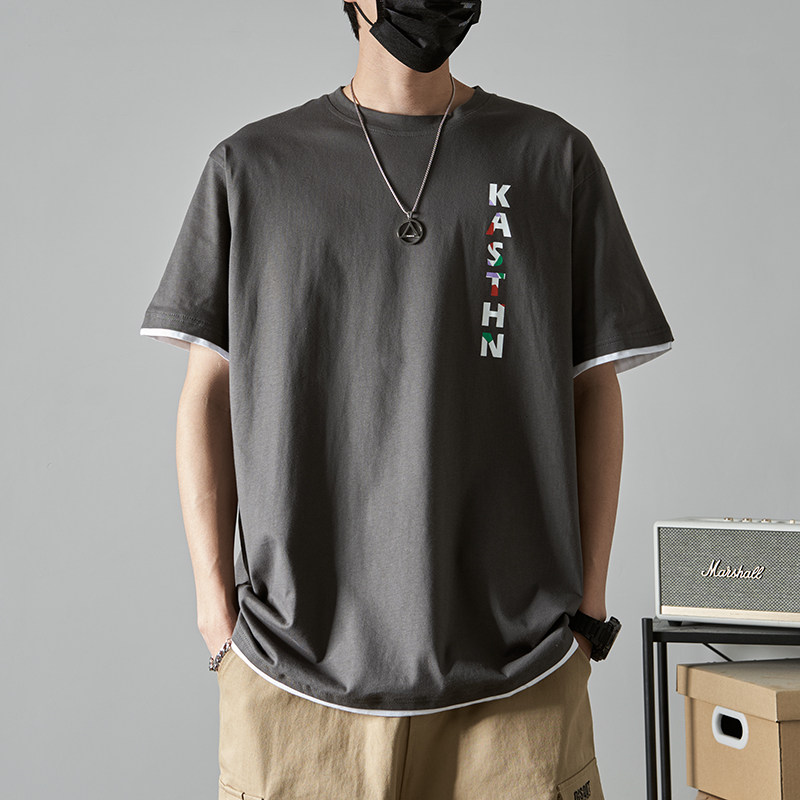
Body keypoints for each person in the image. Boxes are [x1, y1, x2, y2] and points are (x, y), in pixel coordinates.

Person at [139, 2, 674, 798]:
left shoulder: (549, 158)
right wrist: (215, 614)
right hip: (295, 681)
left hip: (518, 679)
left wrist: (587, 611)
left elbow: (593, 387)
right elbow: (206, 394)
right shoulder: (251, 168)